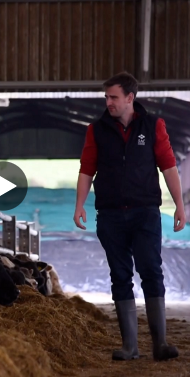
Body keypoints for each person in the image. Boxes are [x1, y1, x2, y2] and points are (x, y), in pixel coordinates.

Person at [73, 72, 186, 362]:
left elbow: (169, 166)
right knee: (120, 275)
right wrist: (80, 205)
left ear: (130, 98)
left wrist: (180, 206)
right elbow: (87, 169)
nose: (108, 102)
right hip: (110, 215)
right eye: (106, 97)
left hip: (145, 213)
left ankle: (160, 344)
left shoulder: (152, 125)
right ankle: (130, 347)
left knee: (151, 270)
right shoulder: (96, 130)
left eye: (113, 97)